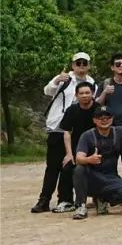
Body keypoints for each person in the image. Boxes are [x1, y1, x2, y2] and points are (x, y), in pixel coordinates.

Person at [33, 73, 98, 214]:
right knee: (58, 166)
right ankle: (50, 200)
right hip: (58, 130)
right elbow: (47, 91)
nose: (85, 95)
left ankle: (95, 198)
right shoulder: (64, 79)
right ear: (77, 95)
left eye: (84, 62)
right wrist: (69, 153)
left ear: (93, 93)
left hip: (88, 143)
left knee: (81, 168)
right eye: (78, 62)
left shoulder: (92, 85)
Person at [70, 106, 122, 220]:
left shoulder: (120, 131)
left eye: (107, 117)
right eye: (100, 117)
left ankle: (102, 200)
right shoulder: (87, 135)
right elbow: (78, 158)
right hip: (92, 177)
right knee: (79, 169)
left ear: (112, 119)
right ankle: (81, 206)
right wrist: (89, 159)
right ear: (94, 120)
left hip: (111, 177)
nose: (104, 120)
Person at [95, 53, 122, 125]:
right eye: (118, 64)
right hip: (109, 126)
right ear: (112, 67)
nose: (121, 65)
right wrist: (104, 92)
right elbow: (97, 105)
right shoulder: (105, 83)